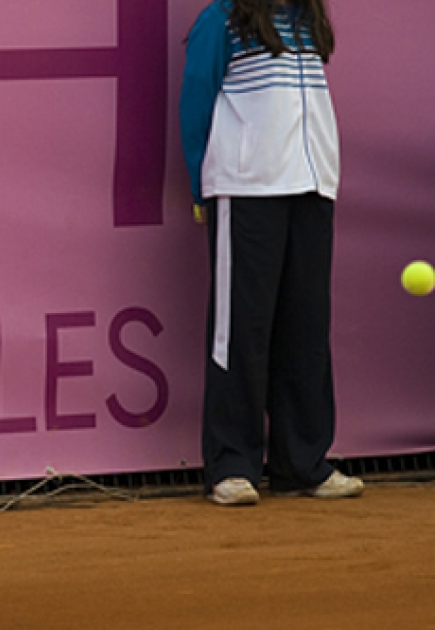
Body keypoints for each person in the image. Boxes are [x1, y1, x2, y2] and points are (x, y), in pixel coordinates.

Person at [179, 0, 364, 506]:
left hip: (312, 189)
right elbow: (196, 103)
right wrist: (201, 189)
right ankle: (232, 465)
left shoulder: (308, 22)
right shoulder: (222, 19)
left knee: (306, 328)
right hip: (245, 190)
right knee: (240, 329)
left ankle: (301, 463)